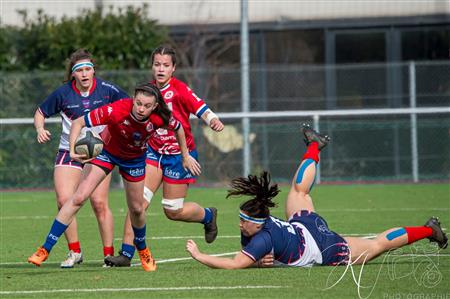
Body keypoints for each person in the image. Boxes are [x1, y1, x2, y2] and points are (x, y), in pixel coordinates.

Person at [186, 124, 448, 269]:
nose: (240, 224)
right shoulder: (259, 227)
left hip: (325, 247)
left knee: (377, 245)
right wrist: (265, 260)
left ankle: (428, 231)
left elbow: (234, 264)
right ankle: (315, 145)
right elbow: (257, 255)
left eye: (244, 221)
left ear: (258, 222)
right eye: (241, 219)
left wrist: (200, 256)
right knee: (299, 191)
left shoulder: (261, 236)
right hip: (304, 226)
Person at [28, 83, 200, 272]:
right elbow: (78, 122)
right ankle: (45, 248)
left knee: (136, 209)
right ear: (133, 99)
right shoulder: (116, 110)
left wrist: (185, 156)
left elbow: (179, 129)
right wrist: (72, 150)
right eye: (138, 103)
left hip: (134, 161)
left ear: (155, 106)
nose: (141, 109)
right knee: (78, 197)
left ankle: (142, 249)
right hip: (106, 153)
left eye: (146, 106)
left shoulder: (160, 118)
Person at [104, 46, 224, 267]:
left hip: (180, 155)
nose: (160, 69)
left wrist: (212, 119)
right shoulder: (147, 92)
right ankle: (126, 253)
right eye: (157, 64)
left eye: (165, 65)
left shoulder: (179, 90)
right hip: (152, 154)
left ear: (173, 68)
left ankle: (208, 216)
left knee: (173, 210)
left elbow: (201, 108)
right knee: (137, 204)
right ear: (152, 66)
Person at [33, 48, 128, 268]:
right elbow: (40, 112)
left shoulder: (107, 90)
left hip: (100, 153)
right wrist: (40, 129)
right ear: (73, 74)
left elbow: (129, 107)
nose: (85, 74)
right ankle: (74, 252)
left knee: (98, 202)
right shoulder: (63, 93)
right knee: (63, 200)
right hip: (69, 151)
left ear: (93, 71)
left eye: (88, 69)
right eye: (80, 70)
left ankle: (109, 255)